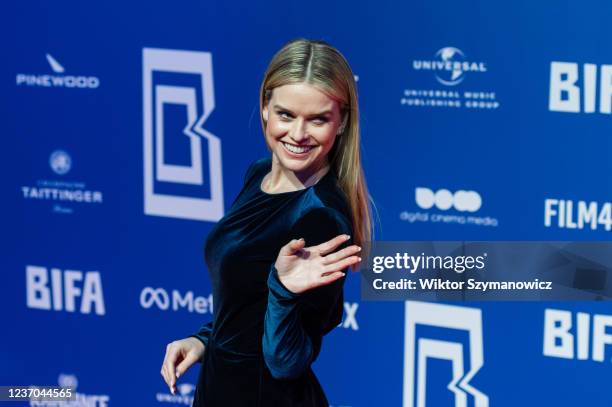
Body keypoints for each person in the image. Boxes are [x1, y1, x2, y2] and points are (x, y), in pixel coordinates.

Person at [160, 38, 372, 406]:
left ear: (341, 123)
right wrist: (205, 340)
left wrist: (284, 290)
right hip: (222, 387)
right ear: (264, 108)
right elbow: (245, 300)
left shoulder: (320, 217)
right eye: (286, 114)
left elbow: (286, 360)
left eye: (318, 119)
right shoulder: (259, 174)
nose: (298, 134)